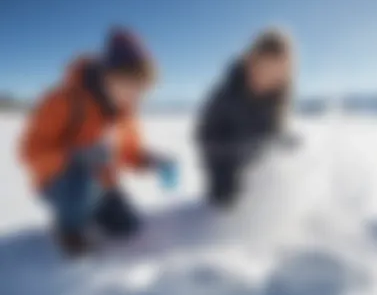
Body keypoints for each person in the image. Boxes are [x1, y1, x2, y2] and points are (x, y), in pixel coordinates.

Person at [19, 27, 174, 256]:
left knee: (127, 226)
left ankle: (89, 209)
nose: (136, 97)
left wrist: (151, 160)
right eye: (131, 86)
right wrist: (73, 154)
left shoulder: (125, 112)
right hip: (60, 182)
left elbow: (128, 152)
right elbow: (29, 151)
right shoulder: (63, 100)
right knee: (83, 185)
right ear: (109, 76)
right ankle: (69, 229)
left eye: (141, 91)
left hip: (102, 182)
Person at [196, 29, 293, 206]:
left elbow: (276, 131)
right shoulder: (225, 95)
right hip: (225, 168)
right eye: (262, 69)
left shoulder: (277, 98)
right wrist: (236, 150)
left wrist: (285, 144)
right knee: (227, 202)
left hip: (259, 164)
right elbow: (204, 137)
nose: (265, 79)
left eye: (275, 73)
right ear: (251, 63)